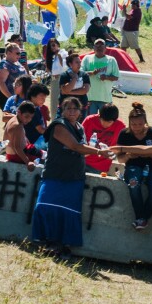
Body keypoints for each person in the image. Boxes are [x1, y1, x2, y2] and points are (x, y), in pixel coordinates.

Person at [32, 97, 107, 258]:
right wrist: (99, 152)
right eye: (68, 108)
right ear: (62, 110)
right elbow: (75, 146)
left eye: (75, 109)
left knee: (69, 212)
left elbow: (81, 147)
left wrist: (95, 148)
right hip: (55, 173)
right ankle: (47, 241)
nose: (72, 112)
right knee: (45, 206)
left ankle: (63, 245)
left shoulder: (79, 127)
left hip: (74, 176)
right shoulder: (59, 126)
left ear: (81, 111)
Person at [110, 103, 152, 230]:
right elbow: (120, 159)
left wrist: (147, 152)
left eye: (140, 124)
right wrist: (129, 155)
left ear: (145, 122)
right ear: (129, 123)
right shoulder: (124, 134)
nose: (136, 127)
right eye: (133, 124)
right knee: (134, 185)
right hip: (133, 167)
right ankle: (140, 217)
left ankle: (144, 217)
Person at [81, 103, 124, 174]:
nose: (105, 124)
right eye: (103, 120)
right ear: (99, 116)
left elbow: (122, 148)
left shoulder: (120, 126)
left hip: (100, 165)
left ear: (115, 120)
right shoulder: (89, 120)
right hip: (83, 160)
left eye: (109, 122)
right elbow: (78, 139)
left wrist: (113, 153)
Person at [81, 39, 120, 115]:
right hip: (90, 98)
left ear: (105, 48)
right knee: (90, 122)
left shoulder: (111, 60)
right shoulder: (87, 58)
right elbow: (80, 73)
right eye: (97, 45)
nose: (99, 47)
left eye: (102, 45)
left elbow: (116, 77)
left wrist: (106, 77)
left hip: (105, 98)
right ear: (93, 48)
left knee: (106, 121)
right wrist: (91, 73)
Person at [3, 101, 41, 170]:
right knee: (45, 157)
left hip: (17, 153)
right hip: (15, 156)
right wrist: (28, 162)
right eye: (26, 116)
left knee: (43, 153)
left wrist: (29, 144)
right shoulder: (17, 126)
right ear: (19, 112)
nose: (29, 120)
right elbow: (17, 147)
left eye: (31, 117)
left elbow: (22, 136)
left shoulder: (15, 118)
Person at [0, 42, 25, 109]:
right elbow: (1, 83)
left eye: (20, 53)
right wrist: (12, 98)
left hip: (19, 97)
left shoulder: (16, 63)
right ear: (8, 53)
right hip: (7, 98)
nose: (19, 56)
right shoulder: (4, 65)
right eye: (17, 53)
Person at [43, 39, 69, 112]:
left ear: (58, 44)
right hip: (54, 80)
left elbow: (65, 67)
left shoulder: (64, 53)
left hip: (62, 79)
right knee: (54, 101)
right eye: (50, 47)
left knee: (63, 101)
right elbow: (50, 71)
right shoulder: (52, 56)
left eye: (54, 45)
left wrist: (59, 56)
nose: (52, 48)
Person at [120, 0, 145, 64]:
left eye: (133, 5)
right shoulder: (133, 10)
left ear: (136, 5)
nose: (132, 6)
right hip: (126, 30)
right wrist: (124, 10)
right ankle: (123, 59)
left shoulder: (137, 12)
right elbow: (125, 16)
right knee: (123, 46)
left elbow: (128, 17)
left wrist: (125, 10)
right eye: (132, 4)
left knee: (135, 46)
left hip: (132, 31)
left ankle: (141, 59)